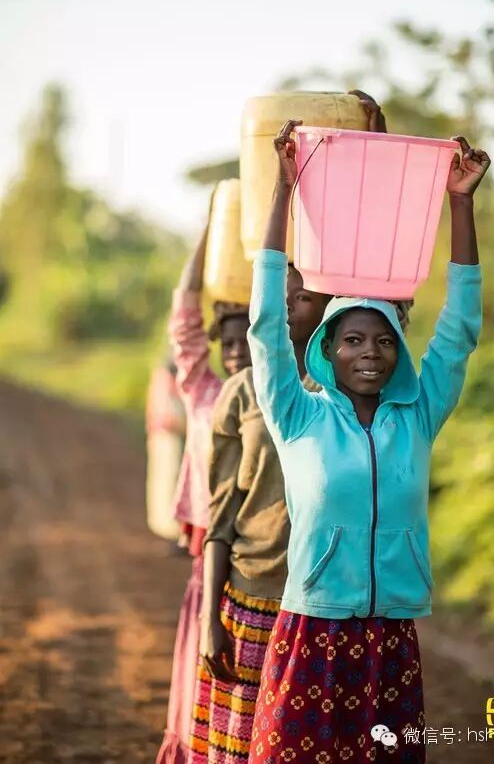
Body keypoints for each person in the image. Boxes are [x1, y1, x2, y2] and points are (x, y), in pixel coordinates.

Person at [246, 119, 490, 763]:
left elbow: (461, 326)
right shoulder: (298, 414)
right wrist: (282, 190)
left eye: (384, 340)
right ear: (327, 349)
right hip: (313, 628)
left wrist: (459, 202)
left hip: (390, 638)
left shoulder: (418, 412)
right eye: (352, 339)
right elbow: (266, 326)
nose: (371, 353)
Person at [186, 263, 330, 764]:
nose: (288, 306)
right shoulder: (241, 393)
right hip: (251, 601)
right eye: (278, 296)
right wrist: (211, 619)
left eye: (303, 297)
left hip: (322, 609)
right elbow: (221, 517)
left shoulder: (344, 393)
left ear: (328, 304)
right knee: (239, 750)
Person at [157, 214, 252, 764]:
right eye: (230, 343)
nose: (237, 351)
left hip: (256, 561)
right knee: (202, 670)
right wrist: (210, 231)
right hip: (207, 560)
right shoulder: (204, 392)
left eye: (247, 340)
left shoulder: (277, 399)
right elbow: (185, 319)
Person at [145, 355, 186, 545]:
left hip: (175, 440)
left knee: (175, 483)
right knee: (164, 484)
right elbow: (153, 411)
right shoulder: (161, 376)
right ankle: (168, 530)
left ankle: (177, 532)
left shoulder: (183, 379)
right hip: (165, 440)